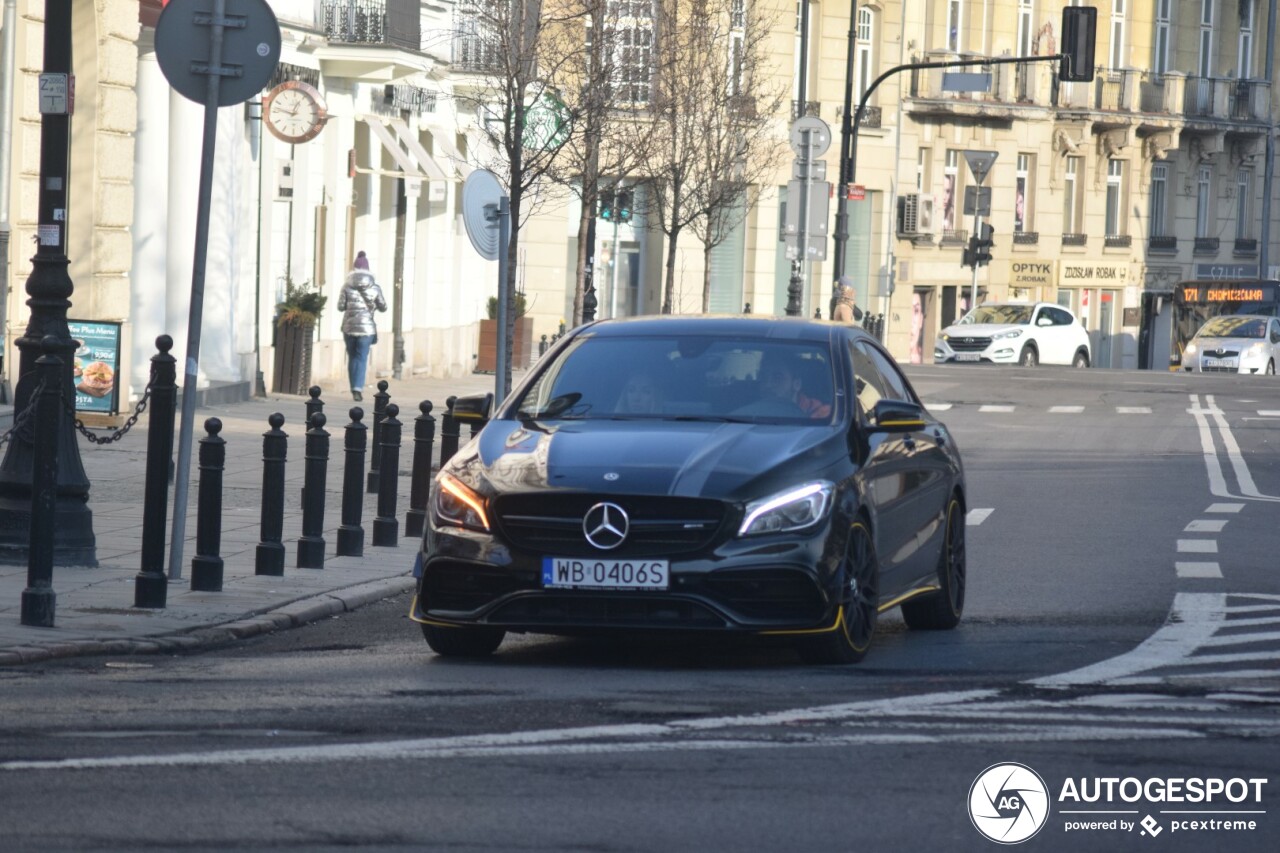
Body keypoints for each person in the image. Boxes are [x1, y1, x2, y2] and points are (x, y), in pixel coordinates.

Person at [337, 250, 387, 401]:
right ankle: (358, 388)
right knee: (361, 357)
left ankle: (354, 387)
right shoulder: (375, 287)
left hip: (349, 328)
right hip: (366, 329)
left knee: (352, 357)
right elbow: (383, 306)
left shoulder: (346, 286)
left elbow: (340, 306)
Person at [757, 353, 831, 419]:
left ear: (797, 384)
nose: (767, 385)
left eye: (777, 377)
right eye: (763, 377)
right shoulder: (750, 413)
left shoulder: (823, 416)